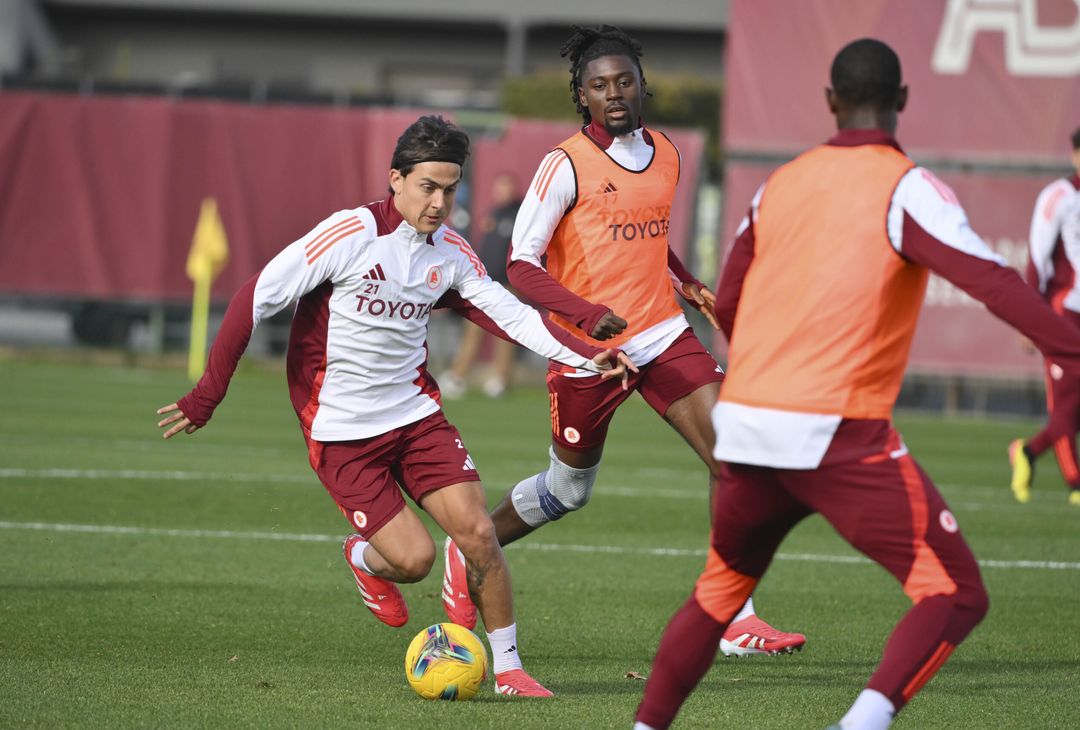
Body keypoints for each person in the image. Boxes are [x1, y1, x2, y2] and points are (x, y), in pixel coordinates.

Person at [633, 39, 1080, 730]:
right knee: (956, 593)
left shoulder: (779, 183)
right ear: (901, 101)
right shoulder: (907, 188)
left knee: (717, 595)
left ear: (830, 103)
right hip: (835, 433)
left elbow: (729, 296)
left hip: (747, 426)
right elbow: (993, 283)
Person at [155, 115, 634, 699]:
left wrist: (591, 355)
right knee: (413, 561)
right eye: (427, 187)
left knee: (479, 532)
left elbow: (511, 316)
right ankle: (363, 556)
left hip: (415, 417)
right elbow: (253, 297)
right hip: (341, 430)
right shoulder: (350, 233)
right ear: (396, 179)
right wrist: (208, 394)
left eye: (450, 189)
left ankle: (509, 670)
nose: (439, 202)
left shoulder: (452, 253)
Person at [440, 24, 805, 658]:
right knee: (567, 491)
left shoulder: (668, 151)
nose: (614, 93)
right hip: (591, 352)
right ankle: (468, 544)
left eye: (624, 81)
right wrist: (586, 313)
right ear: (580, 96)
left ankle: (735, 615)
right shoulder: (562, 165)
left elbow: (646, 238)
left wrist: (688, 284)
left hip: (664, 332)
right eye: (599, 85)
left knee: (734, 457)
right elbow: (522, 266)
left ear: (642, 87)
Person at [1008, 127, 1080, 507]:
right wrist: (1029, 317)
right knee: (1066, 405)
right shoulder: (1059, 197)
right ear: (1075, 156)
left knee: (1074, 408)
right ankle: (1076, 486)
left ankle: (1029, 452)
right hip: (1063, 315)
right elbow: (1037, 258)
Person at [440, 172, 525, 399]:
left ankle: (500, 379)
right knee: (473, 330)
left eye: (506, 186)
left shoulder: (521, 214)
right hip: (486, 284)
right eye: (499, 187)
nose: (501, 191)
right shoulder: (493, 213)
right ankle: (457, 376)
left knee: (505, 335)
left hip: (509, 285)